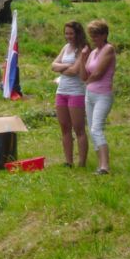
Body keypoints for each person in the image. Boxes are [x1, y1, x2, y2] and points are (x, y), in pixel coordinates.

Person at [80, 19, 115, 175]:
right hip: (90, 94)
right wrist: (82, 58)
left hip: (103, 94)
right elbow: (83, 75)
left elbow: (99, 73)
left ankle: (104, 166)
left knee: (96, 129)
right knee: (92, 129)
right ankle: (100, 163)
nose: (93, 38)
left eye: (96, 35)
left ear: (104, 35)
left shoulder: (108, 49)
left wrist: (87, 81)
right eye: (91, 35)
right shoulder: (93, 52)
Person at [51, 21, 88, 168]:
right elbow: (53, 65)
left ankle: (82, 162)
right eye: (66, 33)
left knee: (79, 128)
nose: (68, 36)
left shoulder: (84, 49)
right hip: (61, 91)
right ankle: (68, 161)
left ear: (78, 33)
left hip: (76, 92)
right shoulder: (66, 48)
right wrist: (67, 66)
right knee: (64, 127)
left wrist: (63, 69)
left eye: (71, 33)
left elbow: (75, 71)